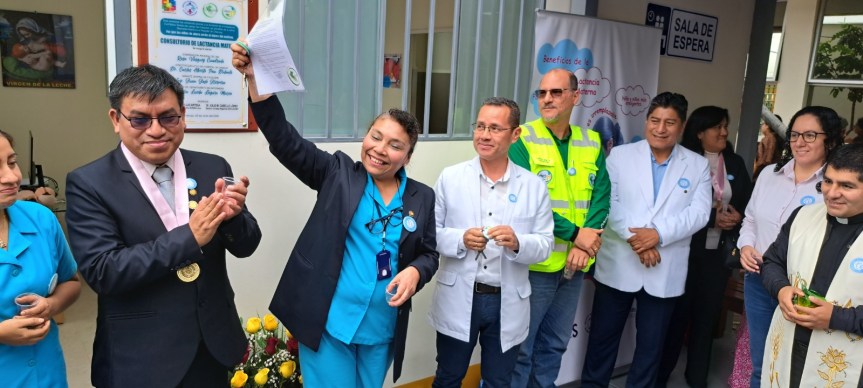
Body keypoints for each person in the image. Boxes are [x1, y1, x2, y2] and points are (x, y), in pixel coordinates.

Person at [231, 43, 439, 387]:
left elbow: (429, 253)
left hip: (382, 326)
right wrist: (256, 81)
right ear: (366, 136)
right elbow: (285, 141)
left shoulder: (422, 196)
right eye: (376, 136)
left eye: (395, 145)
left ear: (408, 155)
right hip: (328, 322)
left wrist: (416, 272)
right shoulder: (337, 173)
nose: (380, 149)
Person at [65, 64, 262, 387]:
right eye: (140, 119)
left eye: (168, 117)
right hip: (142, 354)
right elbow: (103, 272)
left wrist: (235, 216)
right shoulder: (90, 183)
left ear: (183, 115)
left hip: (211, 342)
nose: (156, 130)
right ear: (116, 120)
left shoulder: (213, 165)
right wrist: (189, 237)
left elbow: (247, 245)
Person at [580, 92, 712, 387]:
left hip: (664, 268)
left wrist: (658, 235)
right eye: (654, 120)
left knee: (650, 351)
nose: (660, 128)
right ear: (646, 121)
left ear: (682, 125)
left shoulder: (697, 164)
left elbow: (700, 214)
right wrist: (638, 240)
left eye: (669, 122)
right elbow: (608, 203)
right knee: (602, 343)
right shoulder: (619, 156)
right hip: (618, 265)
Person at [429, 97, 554, 387]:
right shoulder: (451, 177)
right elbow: (429, 233)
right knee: (448, 376)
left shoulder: (533, 187)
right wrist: (460, 238)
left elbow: (546, 244)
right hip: (460, 296)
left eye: (495, 128)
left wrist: (517, 243)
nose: (484, 135)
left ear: (515, 134)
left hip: (506, 301)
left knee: (499, 380)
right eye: (481, 126)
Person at [508, 68, 610, 388]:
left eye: (556, 92)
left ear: (575, 97)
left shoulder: (591, 141)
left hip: (574, 267)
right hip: (535, 265)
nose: (547, 99)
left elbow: (601, 197)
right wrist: (577, 235)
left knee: (554, 344)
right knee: (521, 349)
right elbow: (527, 205)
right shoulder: (522, 139)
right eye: (542, 93)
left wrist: (583, 245)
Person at [737, 106, 844, 388]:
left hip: (805, 289)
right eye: (795, 134)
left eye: (810, 135)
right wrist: (746, 246)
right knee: (762, 363)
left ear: (829, 139)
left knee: (798, 367)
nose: (800, 142)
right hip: (759, 280)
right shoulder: (769, 176)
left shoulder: (833, 186)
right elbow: (749, 219)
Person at [657, 106, 752, 387]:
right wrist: (713, 218)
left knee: (707, 316)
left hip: (718, 254)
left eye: (725, 126)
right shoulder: (682, 161)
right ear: (699, 132)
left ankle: (697, 376)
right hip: (685, 251)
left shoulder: (734, 163)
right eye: (717, 127)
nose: (724, 132)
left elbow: (748, 202)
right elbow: (673, 207)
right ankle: (660, 375)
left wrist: (736, 217)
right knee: (676, 316)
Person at [760, 143, 863, 387]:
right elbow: (771, 261)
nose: (832, 193)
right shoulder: (803, 216)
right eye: (828, 182)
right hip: (789, 346)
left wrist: (836, 317)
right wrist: (781, 289)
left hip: (851, 365)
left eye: (846, 186)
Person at [0, 130, 80, 387]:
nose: (12, 177)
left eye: (12, 162)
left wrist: (52, 305)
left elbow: (71, 282)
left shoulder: (40, 219)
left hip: (46, 373)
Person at [754, 115, 784, 180]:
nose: (761, 126)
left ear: (768, 126)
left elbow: (766, 160)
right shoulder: (775, 138)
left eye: (763, 123)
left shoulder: (770, 138)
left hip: (766, 174)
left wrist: (754, 174)